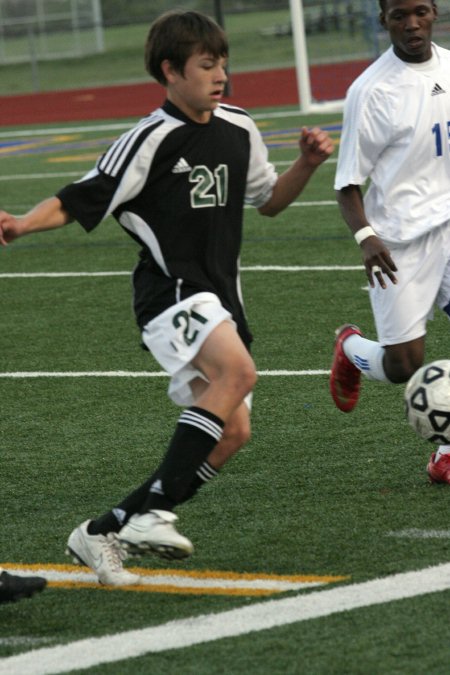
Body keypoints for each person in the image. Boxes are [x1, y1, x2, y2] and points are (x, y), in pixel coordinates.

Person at [0, 9, 333, 586]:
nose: (220, 74)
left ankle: (104, 530)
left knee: (233, 434)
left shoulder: (238, 126)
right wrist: (21, 224)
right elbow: (82, 196)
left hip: (223, 297)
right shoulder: (148, 139)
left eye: (224, 63)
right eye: (207, 65)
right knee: (239, 372)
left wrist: (305, 163)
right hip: (169, 291)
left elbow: (270, 201)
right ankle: (152, 513)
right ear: (170, 71)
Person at [330, 0, 450, 483]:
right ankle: (352, 348)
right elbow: (346, 185)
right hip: (399, 239)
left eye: (419, 11)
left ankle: (446, 452)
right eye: (399, 15)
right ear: (383, 20)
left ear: (435, 13)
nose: (412, 23)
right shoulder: (371, 91)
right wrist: (366, 237)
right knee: (404, 364)